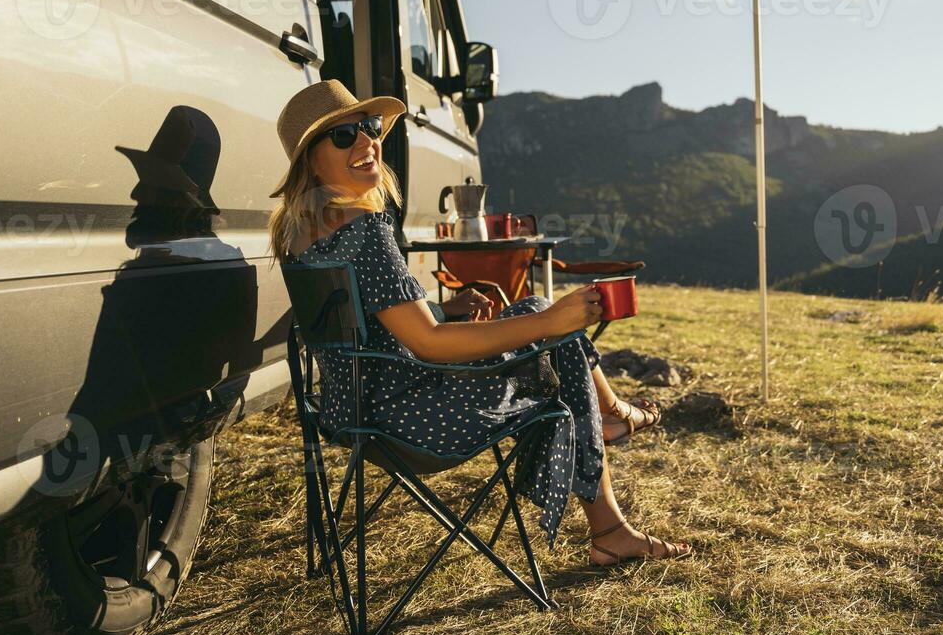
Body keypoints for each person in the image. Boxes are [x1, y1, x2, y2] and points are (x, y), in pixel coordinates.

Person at [268, 80, 688, 565]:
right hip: (412, 422)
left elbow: (365, 320)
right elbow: (429, 345)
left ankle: (610, 426)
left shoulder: (302, 233)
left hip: (352, 409)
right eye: (343, 137)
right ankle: (611, 506)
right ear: (309, 160)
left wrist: (444, 308)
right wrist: (554, 317)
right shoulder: (364, 229)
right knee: (545, 325)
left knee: (534, 317)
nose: (366, 143)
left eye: (370, 127)